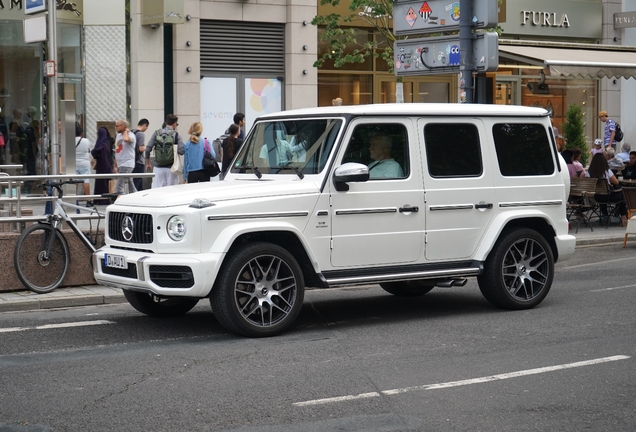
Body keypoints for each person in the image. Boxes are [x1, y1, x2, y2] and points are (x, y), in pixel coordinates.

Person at [145, 114, 184, 188]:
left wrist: (147, 163)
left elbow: (148, 149)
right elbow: (181, 151)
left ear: (166, 123)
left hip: (158, 168)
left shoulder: (156, 133)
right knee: (171, 193)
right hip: (172, 169)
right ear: (174, 124)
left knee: (157, 192)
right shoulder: (176, 135)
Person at [588, 152, 627, 226]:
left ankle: (604, 214)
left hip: (596, 197)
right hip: (608, 197)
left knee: (603, 193)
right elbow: (616, 182)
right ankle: (620, 216)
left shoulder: (589, 172)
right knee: (621, 195)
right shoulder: (607, 171)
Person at [113, 119, 137, 194]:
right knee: (130, 183)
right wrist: (115, 165)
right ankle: (135, 196)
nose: (116, 127)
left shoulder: (131, 135)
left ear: (123, 126)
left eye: (117, 126)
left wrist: (126, 131)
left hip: (127, 163)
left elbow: (126, 139)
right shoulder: (118, 136)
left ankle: (118, 199)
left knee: (119, 185)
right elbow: (117, 150)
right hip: (120, 163)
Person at [91, 127, 112, 204]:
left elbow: (95, 152)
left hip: (101, 164)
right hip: (108, 164)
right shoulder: (108, 142)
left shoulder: (100, 143)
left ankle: (99, 199)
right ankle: (105, 199)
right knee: (105, 182)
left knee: (100, 182)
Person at [74, 124, 92, 198]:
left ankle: (72, 199)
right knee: (86, 181)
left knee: (75, 182)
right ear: (81, 133)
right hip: (84, 163)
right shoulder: (86, 141)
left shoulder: (70, 141)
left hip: (74, 163)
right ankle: (88, 200)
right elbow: (89, 150)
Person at [131, 118, 149, 191]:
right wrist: (146, 147)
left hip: (132, 160)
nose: (146, 129)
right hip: (139, 161)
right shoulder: (141, 134)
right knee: (138, 181)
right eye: (147, 127)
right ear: (144, 125)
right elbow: (141, 148)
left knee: (133, 181)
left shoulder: (131, 132)